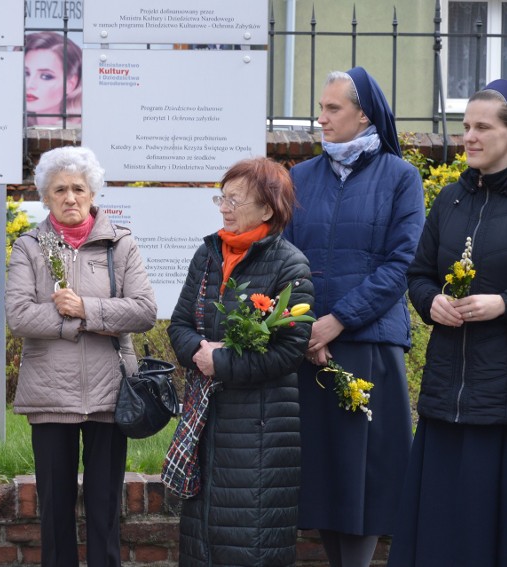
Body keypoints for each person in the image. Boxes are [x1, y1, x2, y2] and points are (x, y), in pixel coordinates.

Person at [282, 67, 426, 567]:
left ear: (363, 113)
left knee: (364, 470)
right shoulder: (301, 178)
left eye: (332, 109)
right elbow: (287, 260)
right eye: (320, 109)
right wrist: (306, 328)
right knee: (324, 471)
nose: (321, 119)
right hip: (311, 346)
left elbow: (401, 263)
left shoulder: (401, 177)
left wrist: (337, 321)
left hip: (370, 344)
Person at [6, 146, 156, 567]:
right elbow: (18, 316)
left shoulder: (121, 243)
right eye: (59, 190)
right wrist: (75, 321)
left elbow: (144, 310)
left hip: (111, 395)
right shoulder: (29, 247)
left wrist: (84, 309)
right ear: (46, 197)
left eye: (78, 188)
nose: (70, 197)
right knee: (54, 510)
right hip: (51, 396)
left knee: (106, 507)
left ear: (93, 194)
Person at [168, 157, 314, 566]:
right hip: (206, 419)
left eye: (234, 199)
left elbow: (288, 351)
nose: (224, 207)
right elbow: (179, 322)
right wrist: (198, 351)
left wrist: (223, 362)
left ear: (267, 209)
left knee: (252, 539)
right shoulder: (209, 252)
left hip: (260, 428)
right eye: (222, 197)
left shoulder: (290, 265)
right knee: (202, 539)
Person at [387, 79, 507, 567]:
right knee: (439, 531)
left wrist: (503, 303)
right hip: (445, 394)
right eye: (465, 127)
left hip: (499, 401)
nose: (469, 138)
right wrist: (431, 301)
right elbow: (417, 273)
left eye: (482, 127)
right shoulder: (450, 200)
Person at [25, 31, 82, 127]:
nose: (29, 85)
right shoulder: (17, 127)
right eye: (26, 73)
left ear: (70, 84)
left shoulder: (81, 134)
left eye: (46, 76)